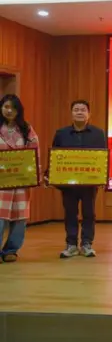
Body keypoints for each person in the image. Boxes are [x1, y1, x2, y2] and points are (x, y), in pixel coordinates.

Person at [52, 100, 107, 258]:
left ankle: (86, 244)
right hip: (68, 183)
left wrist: (102, 176)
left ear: (89, 114)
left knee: (89, 213)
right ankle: (71, 244)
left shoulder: (98, 133)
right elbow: (54, 156)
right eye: (76, 109)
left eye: (83, 110)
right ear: (71, 113)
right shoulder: (61, 133)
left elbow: (102, 157)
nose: (80, 112)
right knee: (70, 213)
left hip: (89, 183)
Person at [0, 95, 39, 263]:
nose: (9, 110)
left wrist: (34, 175)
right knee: (0, 217)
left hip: (21, 180)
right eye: (6, 107)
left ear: (18, 111)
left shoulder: (26, 129)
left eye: (13, 108)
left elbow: (35, 152)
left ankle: (11, 250)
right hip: (1, 182)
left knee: (20, 218)